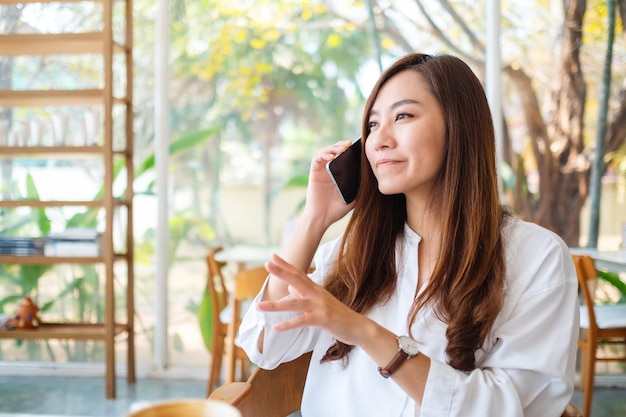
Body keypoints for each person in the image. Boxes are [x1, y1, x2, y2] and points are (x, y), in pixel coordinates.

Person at [237, 53, 579, 417]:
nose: (379, 140)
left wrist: (364, 332)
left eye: (403, 116)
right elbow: (265, 345)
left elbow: (513, 407)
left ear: (458, 126)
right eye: (371, 125)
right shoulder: (353, 252)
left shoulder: (537, 257)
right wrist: (314, 218)